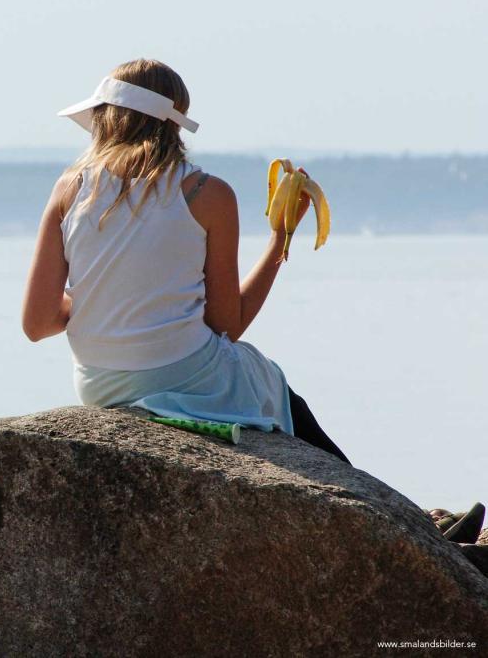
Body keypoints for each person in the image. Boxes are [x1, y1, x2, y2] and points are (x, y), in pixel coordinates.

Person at [21, 58, 350, 464]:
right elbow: (226, 326)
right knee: (268, 378)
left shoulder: (69, 189)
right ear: (175, 124)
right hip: (183, 376)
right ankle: (376, 508)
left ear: (104, 120)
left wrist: (106, 299)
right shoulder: (208, 194)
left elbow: (37, 324)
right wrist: (280, 240)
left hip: (99, 386)